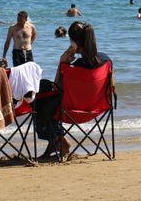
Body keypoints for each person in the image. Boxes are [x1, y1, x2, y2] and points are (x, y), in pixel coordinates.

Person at [43, 21, 113, 159]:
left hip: (69, 112)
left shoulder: (72, 66)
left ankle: (58, 140)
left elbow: (55, 88)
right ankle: (57, 141)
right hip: (98, 109)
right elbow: (111, 88)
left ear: (74, 43)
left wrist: (62, 63)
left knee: (41, 101)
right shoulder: (106, 61)